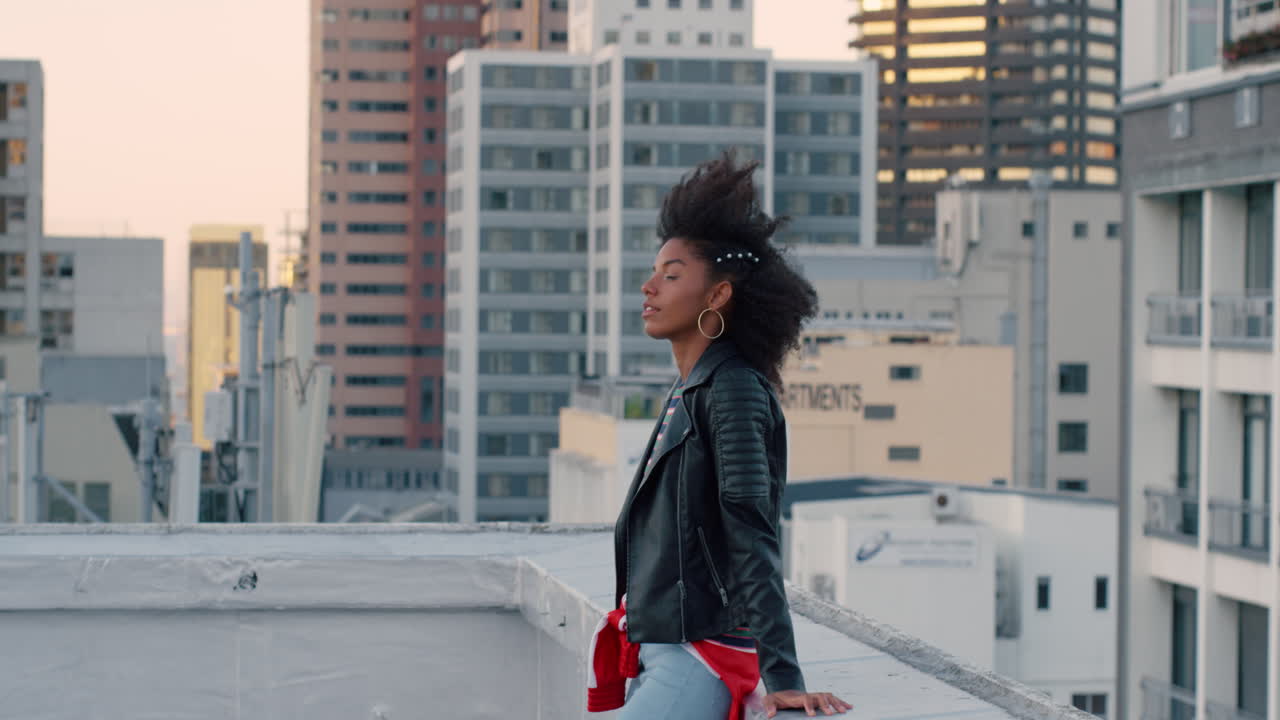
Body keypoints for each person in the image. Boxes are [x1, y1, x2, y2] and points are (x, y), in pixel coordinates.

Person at [601, 153, 853, 719]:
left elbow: (751, 533)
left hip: (701, 658)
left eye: (671, 275)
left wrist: (783, 675)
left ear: (716, 297)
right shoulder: (691, 387)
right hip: (665, 652)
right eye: (654, 272)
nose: (649, 287)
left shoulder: (732, 389)